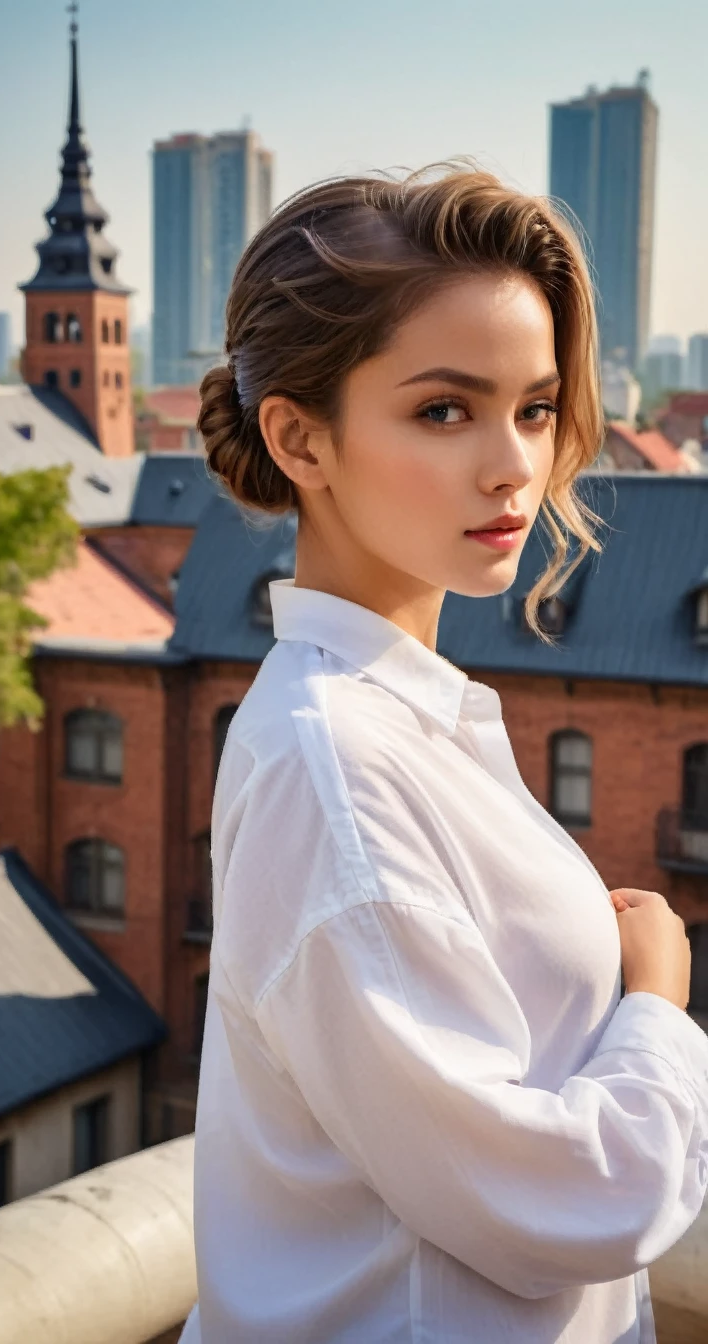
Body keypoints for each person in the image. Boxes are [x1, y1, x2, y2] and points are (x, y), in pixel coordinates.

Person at [178, 164, 708, 1343]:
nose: (515, 462)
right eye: (443, 410)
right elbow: (569, 1199)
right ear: (300, 438)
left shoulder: (400, 720)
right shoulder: (338, 775)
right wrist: (659, 1000)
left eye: (531, 407)